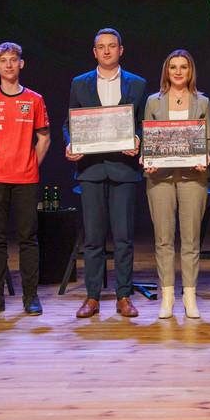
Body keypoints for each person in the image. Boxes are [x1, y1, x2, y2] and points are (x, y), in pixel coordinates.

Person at [63, 28, 146, 319]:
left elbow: (141, 123)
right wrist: (71, 143)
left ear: (121, 50)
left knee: (123, 237)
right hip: (91, 169)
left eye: (112, 46)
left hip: (123, 168)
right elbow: (70, 123)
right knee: (93, 238)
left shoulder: (137, 83)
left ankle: (124, 296)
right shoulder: (79, 83)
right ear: (95, 52)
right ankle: (92, 297)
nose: (107, 51)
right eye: (101, 47)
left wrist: (137, 138)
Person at [0, 42, 50, 316]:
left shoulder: (34, 99)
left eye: (13, 59)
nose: (8, 64)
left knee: (28, 238)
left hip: (26, 179)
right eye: (3, 60)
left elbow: (44, 138)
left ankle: (31, 297)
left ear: (21, 64)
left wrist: (30, 164)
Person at [142, 49, 210, 319]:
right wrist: (147, 158)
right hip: (160, 176)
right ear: (167, 71)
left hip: (193, 176)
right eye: (173, 67)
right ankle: (168, 297)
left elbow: (206, 140)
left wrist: (205, 157)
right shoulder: (153, 102)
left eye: (184, 67)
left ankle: (190, 297)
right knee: (163, 239)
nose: (179, 72)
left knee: (191, 239)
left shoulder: (202, 102)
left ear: (190, 71)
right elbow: (148, 139)